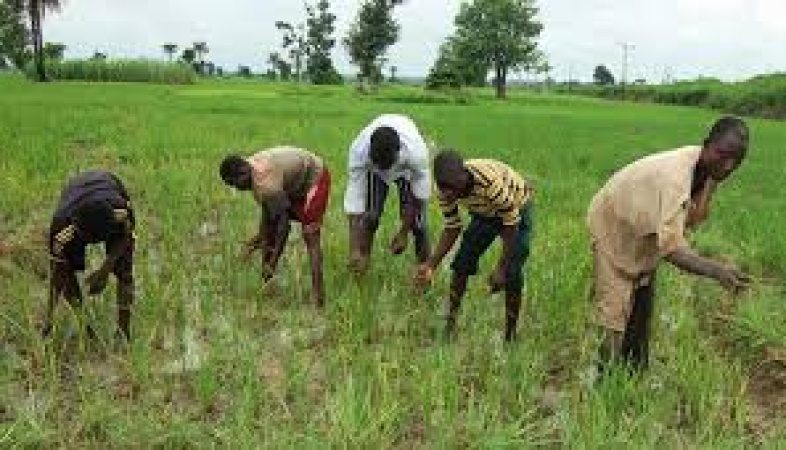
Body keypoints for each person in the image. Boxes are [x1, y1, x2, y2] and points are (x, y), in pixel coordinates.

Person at [587, 116, 751, 372]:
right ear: (706, 145)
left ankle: (634, 372)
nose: (728, 165)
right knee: (614, 308)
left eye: (737, 160)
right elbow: (673, 248)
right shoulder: (676, 177)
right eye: (723, 155)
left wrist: (712, 185)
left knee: (641, 303)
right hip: (614, 223)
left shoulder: (709, 173)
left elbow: (689, 221)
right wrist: (717, 271)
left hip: (644, 231)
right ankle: (604, 377)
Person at [414, 150, 534, 342]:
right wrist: (430, 265)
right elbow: (452, 228)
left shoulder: (488, 182)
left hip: (516, 208)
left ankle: (510, 336)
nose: (449, 194)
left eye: (453, 187)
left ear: (463, 175)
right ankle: (450, 325)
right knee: (461, 263)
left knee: (512, 271)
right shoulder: (445, 192)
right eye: (444, 188)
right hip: (484, 212)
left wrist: (501, 268)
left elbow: (511, 223)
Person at [220, 146, 330, 306]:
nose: (236, 189)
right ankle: (268, 286)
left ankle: (318, 298)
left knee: (310, 235)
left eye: (235, 183)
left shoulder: (266, 184)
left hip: (314, 178)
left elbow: (284, 228)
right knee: (269, 230)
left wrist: (273, 262)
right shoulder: (253, 171)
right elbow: (268, 218)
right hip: (293, 183)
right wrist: (256, 241)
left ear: (244, 172)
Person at [45, 170, 135, 341]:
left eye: (100, 238)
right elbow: (58, 277)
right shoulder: (62, 226)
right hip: (75, 195)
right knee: (67, 271)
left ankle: (124, 333)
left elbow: (126, 238)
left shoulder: (121, 211)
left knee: (125, 272)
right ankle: (85, 327)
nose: (94, 243)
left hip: (108, 183)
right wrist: (49, 319)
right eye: (89, 239)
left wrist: (105, 269)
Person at [344, 114, 431, 274]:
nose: (385, 169)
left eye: (387, 164)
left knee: (419, 225)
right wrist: (354, 248)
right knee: (370, 217)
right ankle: (361, 263)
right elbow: (354, 202)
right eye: (378, 163)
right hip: (375, 172)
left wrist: (404, 232)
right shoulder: (359, 151)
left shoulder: (416, 153)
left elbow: (419, 197)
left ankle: (424, 271)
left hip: (405, 171)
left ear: (398, 152)